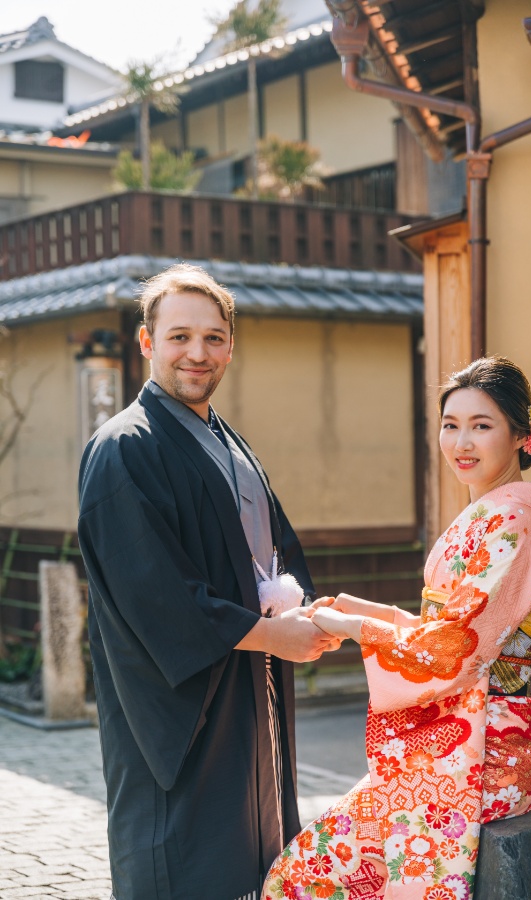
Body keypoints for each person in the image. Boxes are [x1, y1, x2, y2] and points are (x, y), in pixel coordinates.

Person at [262, 356, 531, 900]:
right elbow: (456, 629)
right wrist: (369, 614)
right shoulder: (491, 514)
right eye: (450, 424)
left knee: (307, 869)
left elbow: (458, 649)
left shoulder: (510, 520)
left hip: (481, 756)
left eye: (481, 426)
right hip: (476, 736)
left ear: (520, 436)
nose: (462, 442)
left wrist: (352, 628)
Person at [78, 263, 338, 900]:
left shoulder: (227, 441)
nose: (198, 353)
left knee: (256, 850)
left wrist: (298, 608)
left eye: (214, 337)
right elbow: (152, 591)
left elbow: (274, 553)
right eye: (179, 337)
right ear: (147, 342)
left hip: (252, 680)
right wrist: (267, 634)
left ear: (230, 346)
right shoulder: (124, 447)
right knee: (188, 858)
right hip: (184, 697)